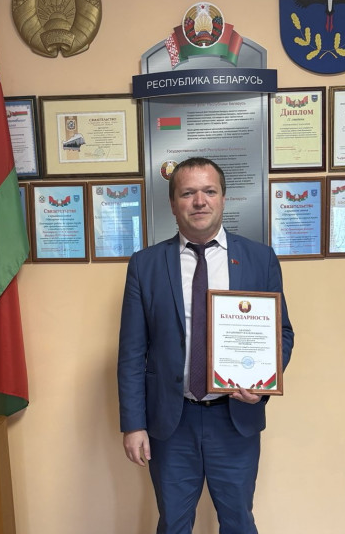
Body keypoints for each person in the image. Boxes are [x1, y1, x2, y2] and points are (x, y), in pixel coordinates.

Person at [118, 157, 294, 534]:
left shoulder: (259, 258)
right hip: (171, 421)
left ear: (223, 198)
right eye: (188, 193)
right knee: (174, 523)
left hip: (234, 418)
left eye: (209, 191)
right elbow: (131, 353)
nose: (200, 201)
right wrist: (133, 425)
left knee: (238, 521)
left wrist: (262, 384)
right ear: (173, 203)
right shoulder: (145, 265)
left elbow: (281, 333)